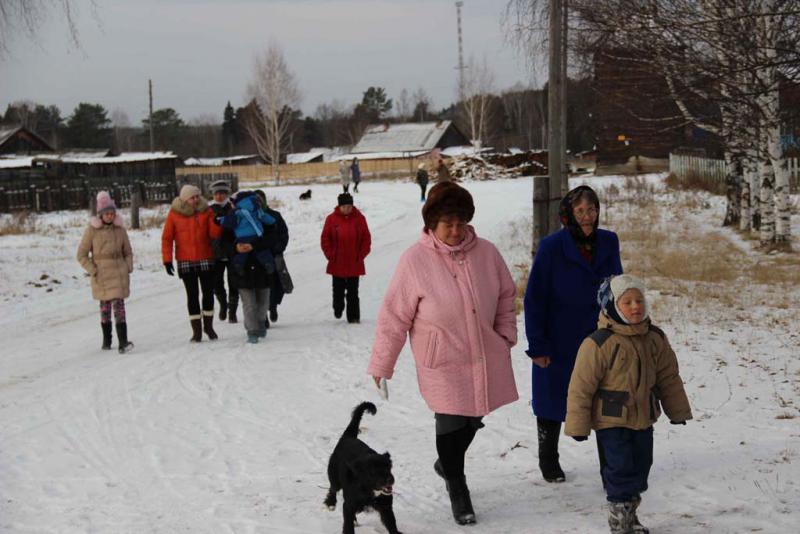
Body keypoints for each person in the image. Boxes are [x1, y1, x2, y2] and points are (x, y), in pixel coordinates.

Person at [368, 182, 518, 526]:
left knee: (473, 418)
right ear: (431, 224)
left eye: (460, 223)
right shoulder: (415, 260)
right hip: (443, 359)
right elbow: (394, 315)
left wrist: (505, 333)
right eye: (447, 224)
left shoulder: (488, 253)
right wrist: (382, 362)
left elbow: (506, 296)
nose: (454, 230)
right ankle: (457, 483)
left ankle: (447, 464)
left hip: (484, 352)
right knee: (451, 423)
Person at [566, 275, 692, 534]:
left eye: (639, 300)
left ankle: (630, 515)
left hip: (644, 415)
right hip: (611, 418)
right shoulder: (599, 343)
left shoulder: (655, 338)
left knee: (640, 467)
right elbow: (580, 388)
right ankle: (620, 521)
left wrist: (677, 411)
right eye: (627, 302)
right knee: (620, 468)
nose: (635, 306)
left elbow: (668, 377)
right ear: (612, 306)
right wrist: (577, 426)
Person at [523, 185, 623, 483]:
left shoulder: (609, 241)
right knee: (553, 400)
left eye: (591, 209)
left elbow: (617, 287)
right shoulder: (551, 246)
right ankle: (548, 460)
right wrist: (538, 344)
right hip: (558, 337)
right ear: (569, 213)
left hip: (600, 337)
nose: (587, 216)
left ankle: (611, 466)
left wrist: (623, 329)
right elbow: (535, 297)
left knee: (608, 400)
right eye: (580, 211)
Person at [162, 184, 222, 342]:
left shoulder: (206, 211)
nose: (195, 200)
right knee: (192, 295)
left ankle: (208, 327)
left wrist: (216, 223)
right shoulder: (174, 214)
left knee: (208, 293)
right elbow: (167, 238)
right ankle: (197, 331)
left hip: (205, 257)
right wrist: (167, 260)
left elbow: (214, 234)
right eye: (192, 197)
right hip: (185, 260)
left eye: (197, 196)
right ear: (184, 199)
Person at [76, 191, 134, 354]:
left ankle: (123, 341)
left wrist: (128, 266)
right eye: (106, 213)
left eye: (112, 213)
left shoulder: (120, 230)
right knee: (105, 308)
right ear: (100, 214)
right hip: (101, 274)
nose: (110, 216)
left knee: (119, 307)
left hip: (118, 272)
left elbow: (128, 251)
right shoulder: (92, 231)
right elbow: (81, 254)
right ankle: (107, 340)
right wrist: (93, 270)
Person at [221, 197, 274, 344]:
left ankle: (261, 321)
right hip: (241, 267)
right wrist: (235, 248)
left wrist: (255, 245)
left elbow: (274, 238)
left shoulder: (262, 215)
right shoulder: (233, 218)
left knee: (263, 301)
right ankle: (252, 330)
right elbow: (223, 243)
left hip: (262, 265)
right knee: (249, 303)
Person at [320, 193, 370, 324]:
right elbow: (325, 238)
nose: (347, 209)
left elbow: (366, 238)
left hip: (355, 261)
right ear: (339, 206)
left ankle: (353, 316)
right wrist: (330, 254)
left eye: (349, 206)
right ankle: (338, 307)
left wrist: (361, 254)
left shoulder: (360, 218)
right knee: (338, 290)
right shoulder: (331, 219)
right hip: (337, 261)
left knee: (353, 291)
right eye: (344, 206)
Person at [217, 190, 276, 276]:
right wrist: (272, 221)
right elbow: (264, 217)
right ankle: (268, 263)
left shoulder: (237, 212)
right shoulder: (257, 210)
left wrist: (219, 220)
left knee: (242, 252)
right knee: (262, 251)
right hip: (256, 235)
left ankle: (238, 264)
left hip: (242, 237)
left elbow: (229, 222)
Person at [254, 190, 290, 326]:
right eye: (255, 200)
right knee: (260, 286)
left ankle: (273, 306)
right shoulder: (251, 218)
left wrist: (279, 248)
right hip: (257, 259)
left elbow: (284, 233)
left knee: (276, 285)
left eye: (260, 199)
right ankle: (263, 316)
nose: (258, 202)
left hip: (274, 256)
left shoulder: (275, 216)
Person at [209, 180, 239, 323]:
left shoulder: (233, 207)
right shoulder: (209, 210)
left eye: (222, 193)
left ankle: (232, 311)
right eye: (216, 193)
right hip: (215, 252)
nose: (219, 196)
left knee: (234, 282)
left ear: (227, 194)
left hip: (232, 250)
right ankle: (223, 304)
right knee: (216, 282)